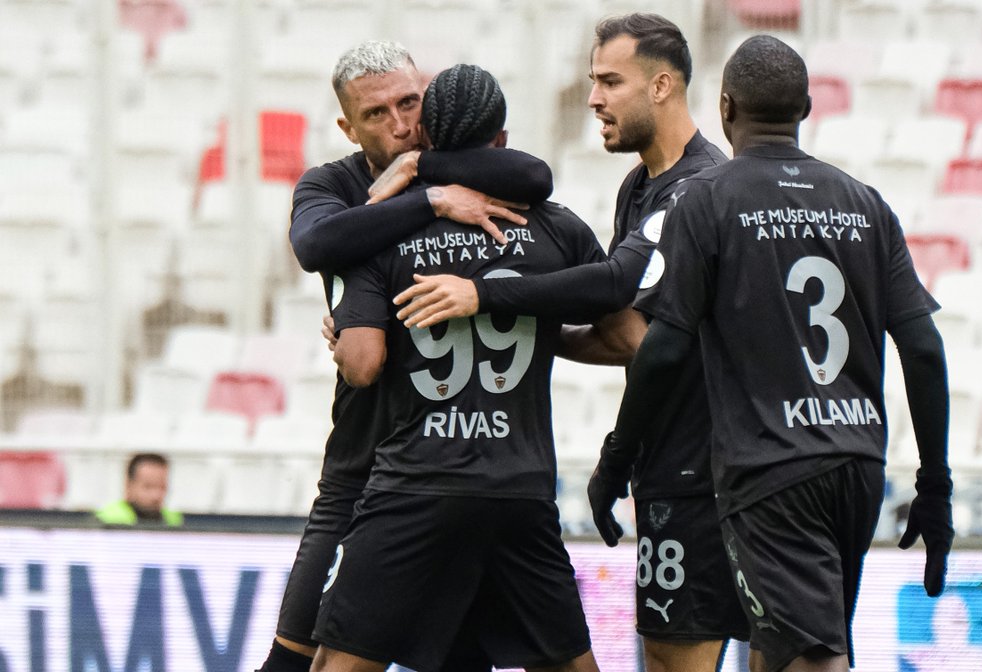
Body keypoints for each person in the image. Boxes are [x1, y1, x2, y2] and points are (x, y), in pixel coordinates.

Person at [386, 14, 749, 672]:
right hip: (667, 463)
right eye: (591, 81)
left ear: (663, 85)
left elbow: (613, 282)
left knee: (682, 660)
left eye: (610, 81)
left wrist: (485, 296)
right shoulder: (641, 186)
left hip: (708, 467)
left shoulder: (699, 187)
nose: (593, 99)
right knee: (663, 657)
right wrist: (527, 331)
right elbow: (630, 336)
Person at [591, 36, 954, 672]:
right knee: (784, 649)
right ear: (806, 108)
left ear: (725, 107)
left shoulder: (707, 199)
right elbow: (922, 348)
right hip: (858, 467)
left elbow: (665, 348)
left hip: (773, 469)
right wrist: (934, 485)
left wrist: (618, 455)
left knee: (811, 660)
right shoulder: (867, 204)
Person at [256, 40, 556, 672]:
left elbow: (537, 177)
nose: (399, 125)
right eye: (376, 114)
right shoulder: (331, 183)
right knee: (292, 654)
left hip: (443, 469)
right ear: (347, 125)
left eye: (408, 103)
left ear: (428, 94)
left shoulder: (472, 171)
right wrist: (426, 201)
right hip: (362, 465)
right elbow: (314, 244)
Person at [309, 63, 604, 672]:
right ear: (500, 139)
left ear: (427, 139)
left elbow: (362, 365)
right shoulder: (554, 227)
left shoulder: (379, 236)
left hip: (413, 486)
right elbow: (626, 337)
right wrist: (538, 323)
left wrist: (343, 338)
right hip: (518, 486)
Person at [95, 453, 183, 526]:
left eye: (162, 487)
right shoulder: (107, 521)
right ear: (128, 485)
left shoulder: (174, 521)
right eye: (148, 487)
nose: (156, 495)